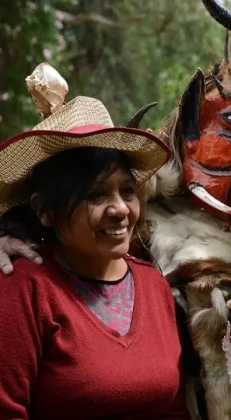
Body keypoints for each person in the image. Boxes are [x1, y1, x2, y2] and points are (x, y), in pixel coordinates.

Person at [0, 91, 192, 418]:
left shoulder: (154, 285)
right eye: (95, 195)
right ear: (45, 211)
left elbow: (173, 408)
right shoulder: (24, 290)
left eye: (127, 191)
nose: (119, 209)